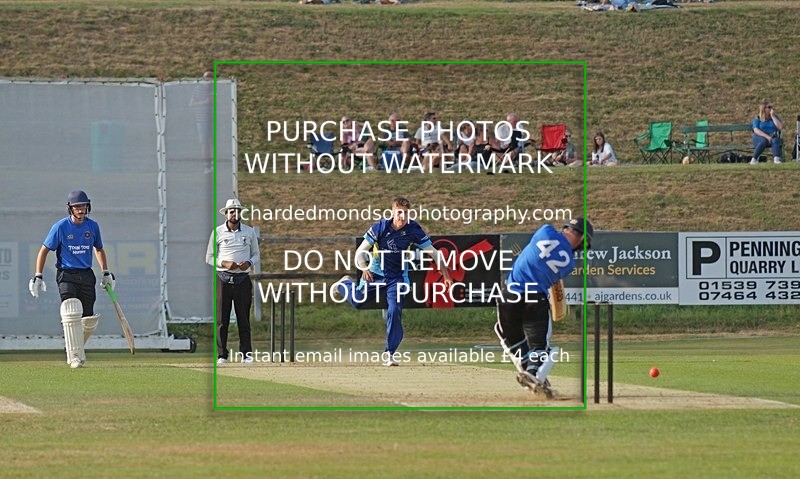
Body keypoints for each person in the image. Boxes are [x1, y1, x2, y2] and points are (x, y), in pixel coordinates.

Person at [333, 197, 453, 366]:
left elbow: (434, 253)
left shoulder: (414, 229)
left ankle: (389, 353)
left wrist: (446, 276)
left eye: (405, 213)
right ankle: (344, 284)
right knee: (357, 302)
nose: (402, 216)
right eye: (399, 213)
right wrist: (364, 267)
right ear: (393, 212)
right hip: (374, 274)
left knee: (395, 310)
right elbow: (360, 251)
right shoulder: (381, 227)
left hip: (397, 278)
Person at [494, 217, 594, 397]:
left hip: (509, 296)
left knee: (511, 337)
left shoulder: (545, 230)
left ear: (566, 228)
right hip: (535, 299)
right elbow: (553, 281)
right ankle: (533, 372)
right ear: (581, 238)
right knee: (540, 348)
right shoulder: (569, 263)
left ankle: (531, 372)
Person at [29, 190, 116, 369]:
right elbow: (44, 250)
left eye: (83, 206)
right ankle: (74, 356)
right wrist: (38, 275)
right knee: (71, 310)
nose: (81, 209)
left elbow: (98, 249)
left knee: (88, 320)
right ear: (70, 208)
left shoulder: (93, 226)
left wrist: (106, 272)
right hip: (66, 274)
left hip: (86, 274)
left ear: (87, 206)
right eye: (77, 206)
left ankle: (72, 346)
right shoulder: (60, 227)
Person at [206, 198, 260, 364]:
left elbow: (256, 254)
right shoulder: (218, 232)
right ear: (226, 213)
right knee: (222, 320)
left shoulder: (249, 232)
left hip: (242, 279)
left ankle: (246, 353)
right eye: (231, 211)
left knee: (243, 318)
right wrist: (224, 263)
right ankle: (222, 355)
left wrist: (248, 263)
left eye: (237, 211)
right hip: (223, 278)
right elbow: (209, 257)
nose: (234, 214)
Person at [188, 71, 214, 171]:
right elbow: (191, 103)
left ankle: (213, 163)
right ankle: (206, 166)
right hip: (202, 120)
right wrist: (204, 102)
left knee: (213, 141)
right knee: (204, 142)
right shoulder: (198, 89)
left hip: (213, 119)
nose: (208, 82)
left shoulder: (214, 88)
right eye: (206, 80)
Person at [750, 100, 783, 165]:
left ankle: (776, 159)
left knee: (775, 140)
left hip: (772, 136)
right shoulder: (758, 118)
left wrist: (773, 116)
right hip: (759, 137)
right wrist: (767, 137)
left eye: (772, 107)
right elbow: (756, 130)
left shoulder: (775, 117)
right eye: (769, 107)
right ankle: (754, 159)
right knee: (763, 141)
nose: (771, 109)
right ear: (764, 108)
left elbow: (780, 127)